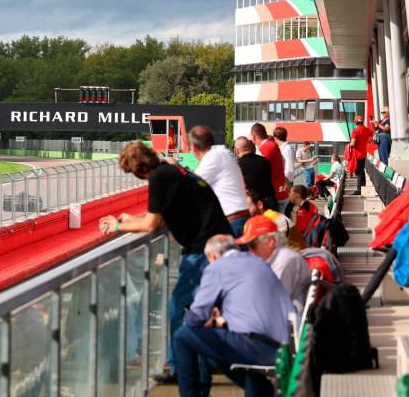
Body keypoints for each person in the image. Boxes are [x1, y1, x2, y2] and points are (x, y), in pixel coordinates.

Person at [99, 141, 233, 384]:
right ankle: (196, 365)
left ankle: (178, 368)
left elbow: (151, 225)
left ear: (139, 170)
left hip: (204, 249)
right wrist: (132, 219)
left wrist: (118, 226)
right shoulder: (171, 170)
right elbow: (159, 218)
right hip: (213, 244)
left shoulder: (160, 177)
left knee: (178, 307)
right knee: (194, 309)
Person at [174, 234, 295, 397]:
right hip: (286, 346)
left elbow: (196, 316)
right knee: (217, 349)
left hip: (260, 348)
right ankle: (264, 392)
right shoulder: (258, 262)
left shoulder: (217, 267)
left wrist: (198, 320)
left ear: (212, 256)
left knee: (182, 336)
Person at [236, 215, 311, 312]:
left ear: (270, 241)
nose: (250, 251)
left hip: (288, 320)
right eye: (248, 246)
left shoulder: (284, 261)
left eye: (252, 245)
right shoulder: (276, 258)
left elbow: (270, 304)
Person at [190, 125, 250, 237]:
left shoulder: (213, 157)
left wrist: (176, 168)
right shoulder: (220, 153)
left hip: (233, 221)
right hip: (238, 218)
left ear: (193, 148)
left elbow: (192, 185)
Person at [251, 123, 289, 213]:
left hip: (273, 196)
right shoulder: (274, 145)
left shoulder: (263, 150)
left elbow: (258, 174)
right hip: (281, 191)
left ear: (254, 136)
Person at [234, 136, 278, 211]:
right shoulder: (264, 161)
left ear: (237, 151)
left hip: (253, 205)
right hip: (269, 201)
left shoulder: (236, 165)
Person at [349, 115, 372, 195]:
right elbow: (371, 137)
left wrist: (349, 145)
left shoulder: (355, 131)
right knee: (362, 171)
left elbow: (353, 143)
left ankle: (359, 190)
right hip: (364, 154)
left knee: (358, 172)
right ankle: (363, 187)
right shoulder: (367, 130)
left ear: (356, 122)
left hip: (357, 155)